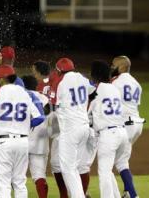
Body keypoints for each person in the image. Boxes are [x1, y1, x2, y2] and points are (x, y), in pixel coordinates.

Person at [0, 65, 45, 198]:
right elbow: (40, 117)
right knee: (19, 182)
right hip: (23, 142)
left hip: (4, 142)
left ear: (3, 79)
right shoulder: (25, 94)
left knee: (3, 182)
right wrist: (25, 125)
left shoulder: (2, 92)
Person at [89, 60, 129, 198]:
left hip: (109, 135)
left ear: (95, 75)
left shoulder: (97, 90)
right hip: (122, 133)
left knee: (104, 172)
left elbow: (87, 110)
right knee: (108, 169)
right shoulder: (115, 88)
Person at [54, 58, 91, 198]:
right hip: (84, 126)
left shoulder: (62, 83)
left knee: (68, 169)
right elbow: (92, 91)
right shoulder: (82, 78)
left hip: (71, 130)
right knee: (74, 167)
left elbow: (56, 106)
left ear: (59, 71)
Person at [111, 56, 144, 198]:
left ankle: (126, 194)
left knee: (111, 162)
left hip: (126, 123)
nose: (112, 67)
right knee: (122, 160)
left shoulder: (116, 82)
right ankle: (129, 193)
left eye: (114, 65)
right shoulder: (137, 83)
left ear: (122, 67)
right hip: (137, 123)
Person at [22, 74, 50, 198]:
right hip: (40, 141)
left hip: (21, 139)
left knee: (16, 176)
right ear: (36, 85)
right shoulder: (45, 98)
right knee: (39, 176)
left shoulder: (20, 97)